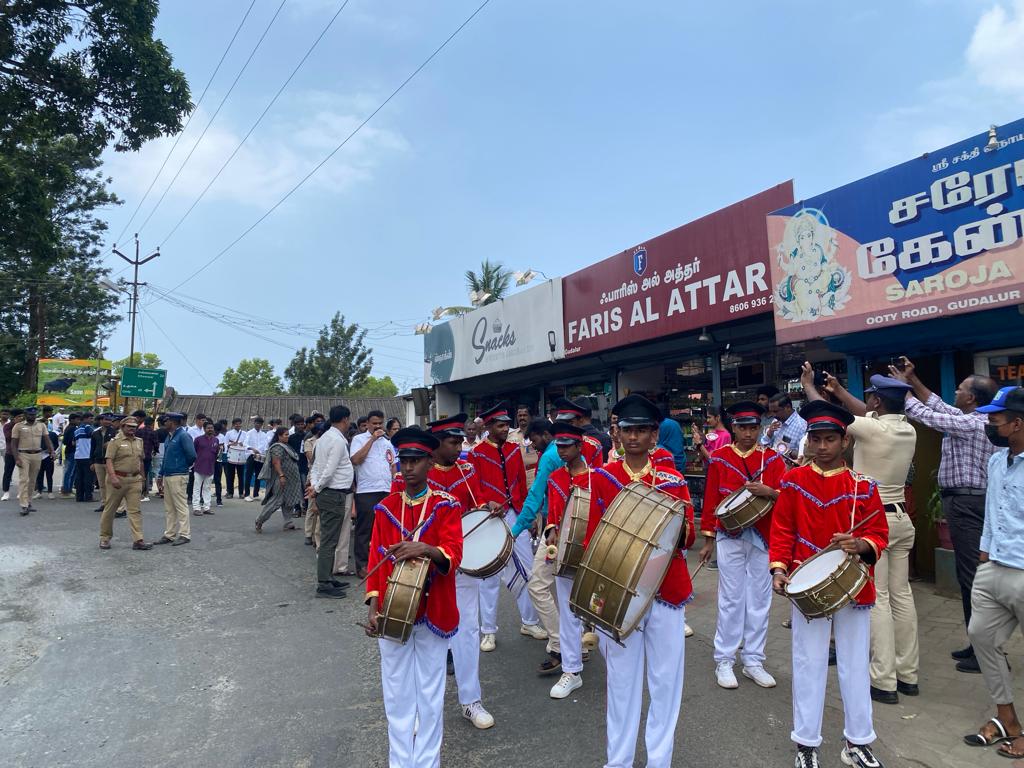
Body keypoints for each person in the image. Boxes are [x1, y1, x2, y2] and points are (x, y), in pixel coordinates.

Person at [770, 400, 889, 768]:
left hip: (854, 587)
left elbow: (879, 534)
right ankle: (806, 743)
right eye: (816, 439)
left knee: (855, 663)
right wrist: (778, 568)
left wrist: (861, 544)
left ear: (845, 442)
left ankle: (858, 742)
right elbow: (783, 529)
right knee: (808, 662)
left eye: (830, 439)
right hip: (806, 586)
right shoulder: (792, 481)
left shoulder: (863, 487)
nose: (822, 446)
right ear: (808, 441)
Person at [586, 394, 695, 768]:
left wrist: (672, 529)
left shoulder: (674, 479)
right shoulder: (601, 479)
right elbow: (591, 542)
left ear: (654, 437)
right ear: (617, 434)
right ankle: (618, 761)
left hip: (667, 590)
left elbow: (689, 535)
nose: (633, 437)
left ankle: (659, 760)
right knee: (621, 682)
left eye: (642, 431)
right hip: (618, 595)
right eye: (627, 430)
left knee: (666, 683)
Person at [803, 365, 920, 704]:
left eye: (871, 399)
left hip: (873, 521)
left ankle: (883, 680)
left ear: (877, 402)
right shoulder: (906, 431)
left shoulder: (873, 429)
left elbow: (831, 417)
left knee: (878, 597)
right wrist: (839, 391)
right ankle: (908, 673)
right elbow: (858, 413)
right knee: (902, 595)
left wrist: (812, 387)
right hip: (901, 518)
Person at [364, 427, 463, 768]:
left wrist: (426, 549)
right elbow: (375, 566)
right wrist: (374, 609)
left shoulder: (446, 505)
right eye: (404, 461)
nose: (408, 468)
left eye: (416, 461)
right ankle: (400, 762)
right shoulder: (385, 508)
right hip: (393, 613)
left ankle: (427, 763)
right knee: (396, 696)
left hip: (433, 611)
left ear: (430, 462)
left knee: (430, 697)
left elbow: (454, 554)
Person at [895, 357, 999, 673]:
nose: (955, 390)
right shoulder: (972, 416)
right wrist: (912, 380)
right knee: (971, 578)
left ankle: (986, 653)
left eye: (961, 388)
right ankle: (978, 644)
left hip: (969, 505)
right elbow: (938, 405)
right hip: (964, 504)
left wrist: (899, 392)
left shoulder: (975, 423)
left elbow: (928, 415)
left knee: (972, 579)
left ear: (972, 398)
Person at [396, 413, 495, 730]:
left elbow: (477, 508)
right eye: (453, 442)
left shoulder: (467, 469)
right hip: (420, 568)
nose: (460, 447)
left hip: (458, 564)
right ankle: (418, 709)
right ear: (434, 445)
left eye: (461, 441)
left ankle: (471, 701)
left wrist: (489, 508)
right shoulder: (406, 477)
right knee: (419, 638)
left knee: (466, 634)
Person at [698, 401, 785, 690]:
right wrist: (708, 538)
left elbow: (785, 499)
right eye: (743, 427)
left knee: (760, 600)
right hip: (729, 534)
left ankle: (753, 660)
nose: (748, 433)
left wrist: (770, 492)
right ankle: (724, 658)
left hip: (762, 535)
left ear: (759, 428)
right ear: (734, 428)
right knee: (731, 598)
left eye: (753, 427)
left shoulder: (772, 459)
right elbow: (711, 498)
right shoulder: (721, 458)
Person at [961, 386, 1024, 759]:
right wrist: (985, 553)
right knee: (980, 635)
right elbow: (993, 509)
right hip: (994, 567)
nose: (988, 424)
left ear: (1017, 424)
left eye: (995, 420)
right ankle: (1007, 719)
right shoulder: (996, 461)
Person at [469, 401, 545, 651]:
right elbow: (474, 488)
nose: (505, 429)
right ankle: (488, 631)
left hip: (516, 514)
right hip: (489, 518)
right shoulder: (476, 454)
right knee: (488, 577)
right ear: (489, 426)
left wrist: (529, 515)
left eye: (506, 425)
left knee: (526, 567)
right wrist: (485, 502)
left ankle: (529, 621)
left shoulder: (514, 450)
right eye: (500, 426)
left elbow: (523, 485)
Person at [510, 418, 564, 675]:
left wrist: (515, 530)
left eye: (534, 439)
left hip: (555, 529)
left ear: (546, 434)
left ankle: (559, 643)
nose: (532, 444)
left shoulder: (550, 457)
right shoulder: (568, 451)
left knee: (538, 586)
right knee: (567, 591)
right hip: (572, 526)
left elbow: (535, 496)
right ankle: (576, 646)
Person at [542, 422, 591, 700]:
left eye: (567, 446)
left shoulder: (597, 478)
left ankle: (620, 666)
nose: (561, 450)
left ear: (579, 447)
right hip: (563, 553)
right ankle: (572, 670)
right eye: (558, 445)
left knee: (600, 610)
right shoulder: (554, 478)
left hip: (592, 553)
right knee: (568, 611)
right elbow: (552, 515)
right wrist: (550, 532)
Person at [307, 405, 353, 599]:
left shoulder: (324, 439)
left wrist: (315, 487)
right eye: (349, 420)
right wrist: (316, 489)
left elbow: (317, 467)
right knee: (328, 541)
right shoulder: (336, 441)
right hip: (333, 493)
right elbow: (329, 469)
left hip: (328, 492)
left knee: (329, 539)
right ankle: (324, 584)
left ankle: (327, 577)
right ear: (344, 419)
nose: (349, 423)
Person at [350, 410, 395, 578]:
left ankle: (383, 562)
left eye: (380, 423)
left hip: (386, 489)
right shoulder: (358, 439)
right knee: (364, 530)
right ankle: (361, 565)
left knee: (385, 528)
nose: (377, 426)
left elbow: (392, 464)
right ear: (367, 424)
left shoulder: (387, 442)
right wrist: (372, 439)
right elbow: (356, 460)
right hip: (366, 491)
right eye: (374, 423)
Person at [99, 417, 152, 551]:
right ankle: (105, 538)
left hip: (134, 480)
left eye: (134, 427)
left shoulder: (139, 442)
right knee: (110, 509)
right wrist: (112, 477)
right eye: (129, 426)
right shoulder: (115, 442)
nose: (132, 429)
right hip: (117, 479)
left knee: (135, 510)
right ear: (122, 427)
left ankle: (138, 540)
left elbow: (140, 461)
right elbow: (109, 460)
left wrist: (143, 478)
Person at [155, 413, 196, 547]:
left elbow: (192, 455)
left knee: (180, 506)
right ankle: (170, 534)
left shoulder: (183, 436)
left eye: (166, 421)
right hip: (168, 474)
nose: (164, 423)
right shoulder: (169, 436)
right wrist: (161, 474)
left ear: (172, 422)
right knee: (169, 507)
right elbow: (166, 457)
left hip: (178, 475)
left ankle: (185, 534)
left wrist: (182, 466)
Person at [253, 426, 301, 533]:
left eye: (288, 434)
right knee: (277, 501)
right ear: (279, 436)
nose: (288, 437)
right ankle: (260, 520)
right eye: (286, 435)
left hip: (291, 480)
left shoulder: (286, 446)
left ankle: (288, 523)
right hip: (282, 479)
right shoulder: (277, 447)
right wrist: (281, 475)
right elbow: (276, 462)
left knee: (289, 501)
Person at [10, 407, 55, 515]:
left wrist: (52, 451)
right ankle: (24, 505)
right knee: (24, 480)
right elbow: (13, 444)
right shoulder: (18, 426)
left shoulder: (41, 425)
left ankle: (29, 502)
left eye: (34, 415)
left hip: (37, 455)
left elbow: (47, 440)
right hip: (23, 455)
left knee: (32, 481)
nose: (32, 417)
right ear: (25, 415)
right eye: (30, 415)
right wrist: (16, 458)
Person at [552, 397, 606, 467]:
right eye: (561, 423)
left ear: (580, 420)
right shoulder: (552, 447)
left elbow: (598, 474)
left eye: (570, 423)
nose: (565, 427)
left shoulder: (593, 446)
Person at [762, 393, 807, 461]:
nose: (773, 415)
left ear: (788, 407)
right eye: (771, 412)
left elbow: (804, 456)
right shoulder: (776, 421)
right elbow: (764, 446)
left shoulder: (801, 426)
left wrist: (789, 452)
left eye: (775, 411)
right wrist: (769, 433)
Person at [191, 420, 220, 516]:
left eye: (211, 428)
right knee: (197, 488)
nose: (210, 429)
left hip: (210, 468)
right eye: (208, 428)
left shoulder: (216, 440)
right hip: (199, 467)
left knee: (207, 488)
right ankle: (196, 508)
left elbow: (216, 454)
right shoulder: (198, 439)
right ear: (204, 429)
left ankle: (206, 508)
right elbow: (193, 453)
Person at [90, 413, 114, 512]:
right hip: (98, 461)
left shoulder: (114, 432)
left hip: (110, 462)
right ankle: (104, 504)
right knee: (102, 484)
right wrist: (91, 462)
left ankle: (111, 505)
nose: (108, 421)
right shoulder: (95, 432)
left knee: (110, 484)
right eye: (106, 419)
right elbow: (92, 448)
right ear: (101, 420)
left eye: (109, 420)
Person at [244, 416, 269, 501]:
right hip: (251, 456)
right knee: (248, 475)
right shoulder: (249, 433)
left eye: (260, 423)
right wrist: (252, 449)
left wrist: (260, 452)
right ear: (254, 423)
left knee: (259, 475)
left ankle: (256, 494)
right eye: (256, 423)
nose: (258, 425)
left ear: (262, 425)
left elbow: (266, 445)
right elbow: (245, 444)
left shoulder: (264, 434)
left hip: (260, 456)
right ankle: (246, 494)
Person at [657, 405, 687, 473]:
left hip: (667, 463)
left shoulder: (661, 424)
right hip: (680, 462)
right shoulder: (675, 423)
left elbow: (657, 441)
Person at [1, 408, 23, 501]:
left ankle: (21, 492)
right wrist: (16, 425)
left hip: (22, 452)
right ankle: (6, 492)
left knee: (23, 474)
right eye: (19, 416)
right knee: (7, 472)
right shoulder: (7, 426)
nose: (21, 418)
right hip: (10, 452)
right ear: (14, 417)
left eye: (22, 416)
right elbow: (9, 437)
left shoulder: (25, 426)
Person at [35, 421, 60, 498]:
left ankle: (50, 491)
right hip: (38, 456)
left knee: (49, 475)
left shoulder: (52, 434)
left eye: (45, 424)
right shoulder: (36, 435)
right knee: (39, 475)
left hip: (48, 456)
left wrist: (51, 450)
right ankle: (39, 491)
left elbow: (56, 444)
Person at [223, 418, 247, 498]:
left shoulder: (244, 433)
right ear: (233, 425)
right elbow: (225, 444)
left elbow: (247, 444)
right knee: (230, 475)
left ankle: (241, 493)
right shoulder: (228, 433)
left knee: (241, 475)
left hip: (241, 456)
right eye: (236, 424)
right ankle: (230, 493)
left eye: (239, 423)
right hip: (232, 455)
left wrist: (242, 444)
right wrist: (231, 444)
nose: (238, 425)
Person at [74, 422, 95, 502]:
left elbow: (74, 443)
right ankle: (88, 496)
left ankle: (79, 497)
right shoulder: (88, 427)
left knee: (79, 477)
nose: (92, 420)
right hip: (87, 456)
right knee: (88, 478)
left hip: (78, 456)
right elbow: (92, 434)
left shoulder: (77, 430)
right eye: (91, 419)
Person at [60, 413, 80, 496]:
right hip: (71, 451)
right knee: (69, 472)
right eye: (77, 419)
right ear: (72, 420)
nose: (78, 421)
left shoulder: (70, 428)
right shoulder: (71, 428)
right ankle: (66, 490)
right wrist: (73, 443)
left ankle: (69, 488)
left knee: (73, 471)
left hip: (71, 451)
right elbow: (67, 441)